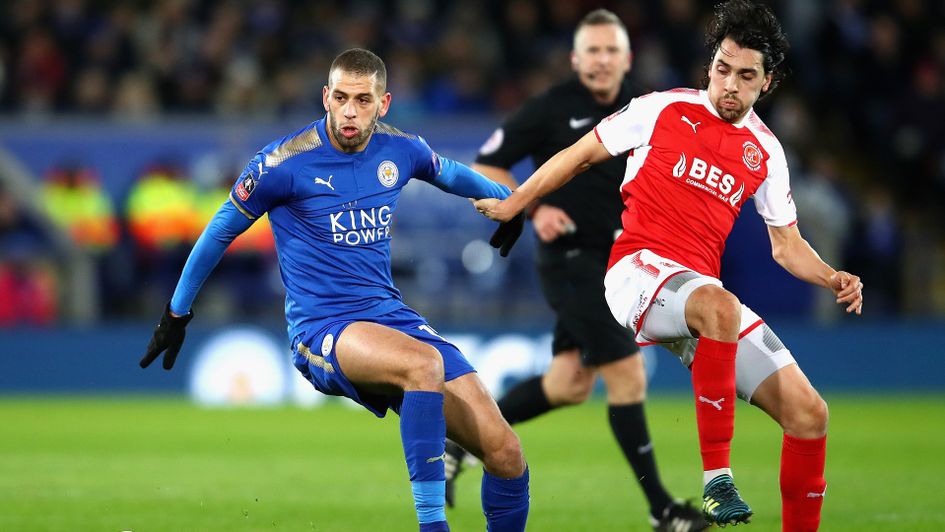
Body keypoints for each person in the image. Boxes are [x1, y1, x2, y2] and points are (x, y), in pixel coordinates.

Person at [474, 1, 864, 530]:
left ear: (766, 83)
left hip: (699, 298)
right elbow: (579, 154)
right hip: (635, 270)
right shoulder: (661, 109)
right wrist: (517, 201)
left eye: (745, 76)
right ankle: (716, 479)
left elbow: (786, 245)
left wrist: (832, 276)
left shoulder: (766, 152)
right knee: (719, 306)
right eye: (722, 68)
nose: (729, 83)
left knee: (810, 414)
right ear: (711, 64)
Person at [139, 48, 530, 532]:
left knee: (506, 452)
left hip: (391, 318)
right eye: (340, 98)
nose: (349, 110)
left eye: (362, 100)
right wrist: (176, 314)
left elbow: (447, 172)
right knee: (423, 365)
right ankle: (433, 527)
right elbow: (218, 232)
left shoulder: (399, 149)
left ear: (383, 103)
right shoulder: (283, 163)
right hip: (323, 329)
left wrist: (509, 201)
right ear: (325, 97)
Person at [445, 9, 707, 532]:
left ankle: (460, 440)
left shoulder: (649, 108)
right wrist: (535, 208)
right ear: (575, 58)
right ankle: (662, 510)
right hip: (570, 260)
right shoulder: (549, 107)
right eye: (593, 50)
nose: (603, 60)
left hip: (622, 261)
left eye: (612, 51)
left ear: (627, 59)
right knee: (627, 373)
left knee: (568, 384)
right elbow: (488, 162)